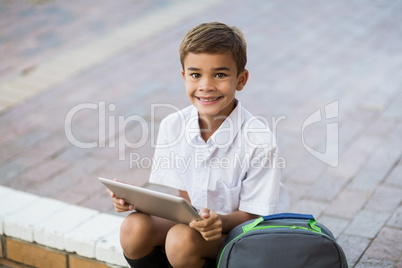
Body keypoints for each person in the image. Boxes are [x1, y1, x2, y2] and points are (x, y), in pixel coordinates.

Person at [108, 22, 288, 268]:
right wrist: (134, 200)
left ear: (241, 80)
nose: (206, 85)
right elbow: (185, 199)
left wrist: (219, 222)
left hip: (244, 234)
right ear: (184, 77)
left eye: (220, 74)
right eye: (196, 75)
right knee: (133, 227)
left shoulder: (259, 141)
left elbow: (255, 215)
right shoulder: (173, 125)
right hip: (198, 227)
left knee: (181, 240)